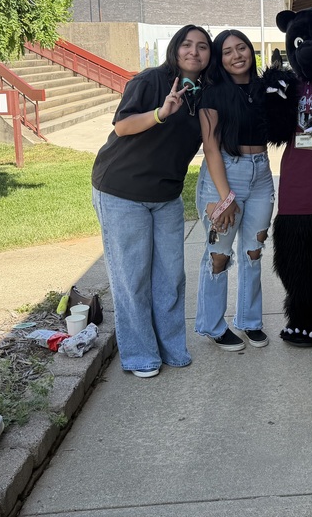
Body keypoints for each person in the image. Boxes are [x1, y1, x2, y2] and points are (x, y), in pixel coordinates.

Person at [91, 25, 212, 378]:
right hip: (121, 191)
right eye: (187, 44)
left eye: (202, 46)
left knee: (171, 276)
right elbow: (122, 127)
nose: (194, 51)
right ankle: (140, 354)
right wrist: (161, 112)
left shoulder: (205, 93)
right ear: (175, 48)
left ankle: (172, 347)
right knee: (133, 276)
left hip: (166, 195)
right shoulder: (150, 80)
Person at [195, 30, 275, 351]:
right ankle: (213, 325)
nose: (236, 55)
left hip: (262, 173)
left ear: (251, 52)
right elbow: (211, 149)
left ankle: (250, 321)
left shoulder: (263, 89)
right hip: (225, 173)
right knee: (219, 255)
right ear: (220, 58)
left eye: (241, 48)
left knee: (253, 251)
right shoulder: (212, 93)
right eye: (227, 51)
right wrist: (226, 197)